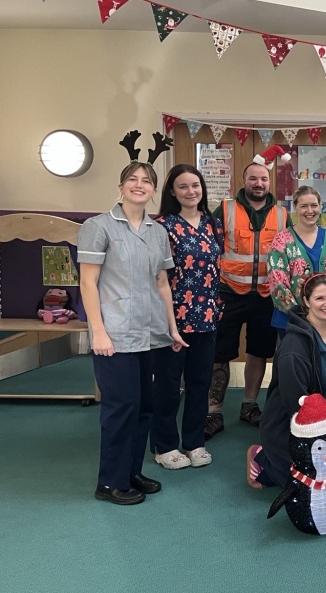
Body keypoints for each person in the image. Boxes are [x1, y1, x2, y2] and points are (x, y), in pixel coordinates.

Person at [78, 161, 186, 505]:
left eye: (147, 181)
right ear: (121, 185)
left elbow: (162, 282)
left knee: (144, 407)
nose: (139, 185)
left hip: (150, 332)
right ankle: (109, 481)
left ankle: (131, 472)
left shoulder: (158, 232)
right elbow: (88, 282)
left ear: (154, 191)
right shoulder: (99, 226)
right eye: (132, 180)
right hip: (115, 334)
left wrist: (171, 327)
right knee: (120, 407)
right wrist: (98, 331)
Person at [247, 274, 326, 488]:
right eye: (320, 298)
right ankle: (262, 458)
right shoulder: (293, 349)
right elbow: (294, 406)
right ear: (306, 301)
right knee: (316, 488)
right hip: (293, 428)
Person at [205, 152, 289, 439]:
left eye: (264, 178)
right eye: (253, 178)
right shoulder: (225, 209)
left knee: (259, 352)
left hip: (266, 295)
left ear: (269, 182)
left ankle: (249, 405)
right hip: (228, 293)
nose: (258, 183)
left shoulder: (282, 214)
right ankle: (213, 411)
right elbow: (208, 248)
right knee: (220, 354)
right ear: (243, 181)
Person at [152, 164, 223, 471]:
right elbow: (158, 278)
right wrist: (168, 321)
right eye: (183, 186)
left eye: (196, 185)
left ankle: (194, 442)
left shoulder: (212, 223)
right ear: (172, 191)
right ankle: (164, 445)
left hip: (207, 318)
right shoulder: (162, 226)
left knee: (200, 384)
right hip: (173, 319)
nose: (191, 191)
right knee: (168, 385)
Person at [267, 184, 326, 334]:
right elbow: (277, 282)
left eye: (314, 205)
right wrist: (303, 314)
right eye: (304, 206)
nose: (310, 211)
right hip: (291, 320)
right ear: (295, 207)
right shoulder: (282, 240)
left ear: (321, 207)